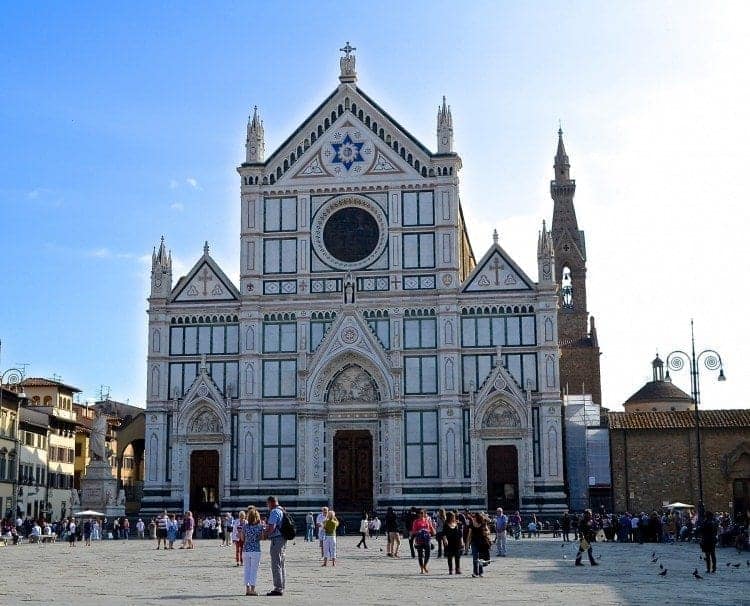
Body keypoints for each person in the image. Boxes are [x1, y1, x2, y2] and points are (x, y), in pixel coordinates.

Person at [265, 496, 286, 596]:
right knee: (281, 563)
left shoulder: (274, 512)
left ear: (271, 503)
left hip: (276, 540)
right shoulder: (282, 510)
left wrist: (265, 534)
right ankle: (281, 586)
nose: (267, 506)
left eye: (267, 504)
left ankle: (278, 588)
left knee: (276, 563)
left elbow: (272, 527)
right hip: (283, 539)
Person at [242, 507, 264, 596]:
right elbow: (262, 538)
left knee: (247, 569)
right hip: (256, 550)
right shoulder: (260, 527)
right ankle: (252, 589)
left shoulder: (245, 526)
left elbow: (242, 538)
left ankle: (247, 589)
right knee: (254, 570)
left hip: (246, 550)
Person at [410, 509, 436, 574]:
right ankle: (421, 569)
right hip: (419, 539)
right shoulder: (416, 521)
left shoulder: (427, 521)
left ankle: (425, 565)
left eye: (422, 513)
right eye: (420, 513)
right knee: (420, 555)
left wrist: (430, 531)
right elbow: (413, 531)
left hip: (427, 539)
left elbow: (432, 530)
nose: (421, 514)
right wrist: (419, 531)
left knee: (428, 554)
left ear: (425, 514)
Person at [467, 513, 491, 578]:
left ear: (477, 518)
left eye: (474, 517)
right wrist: (467, 544)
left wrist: (486, 532)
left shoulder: (483, 524)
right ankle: (475, 572)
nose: (473, 518)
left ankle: (481, 572)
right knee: (475, 558)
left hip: (482, 543)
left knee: (480, 558)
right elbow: (469, 535)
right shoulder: (471, 525)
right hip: (474, 542)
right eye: (473, 517)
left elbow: (488, 531)